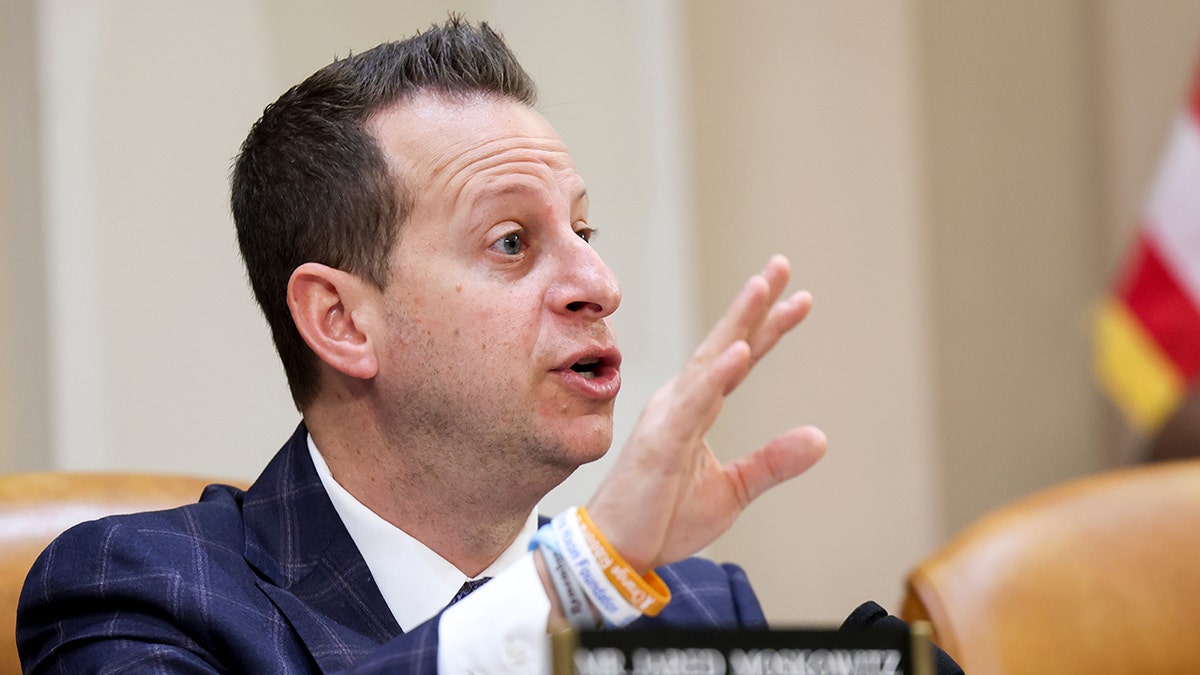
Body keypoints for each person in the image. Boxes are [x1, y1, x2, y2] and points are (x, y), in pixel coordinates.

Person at [17, 17, 828, 673]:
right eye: (511, 242)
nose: (599, 282)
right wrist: (577, 579)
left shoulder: (693, 609)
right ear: (340, 320)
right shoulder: (140, 593)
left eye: (584, 229)